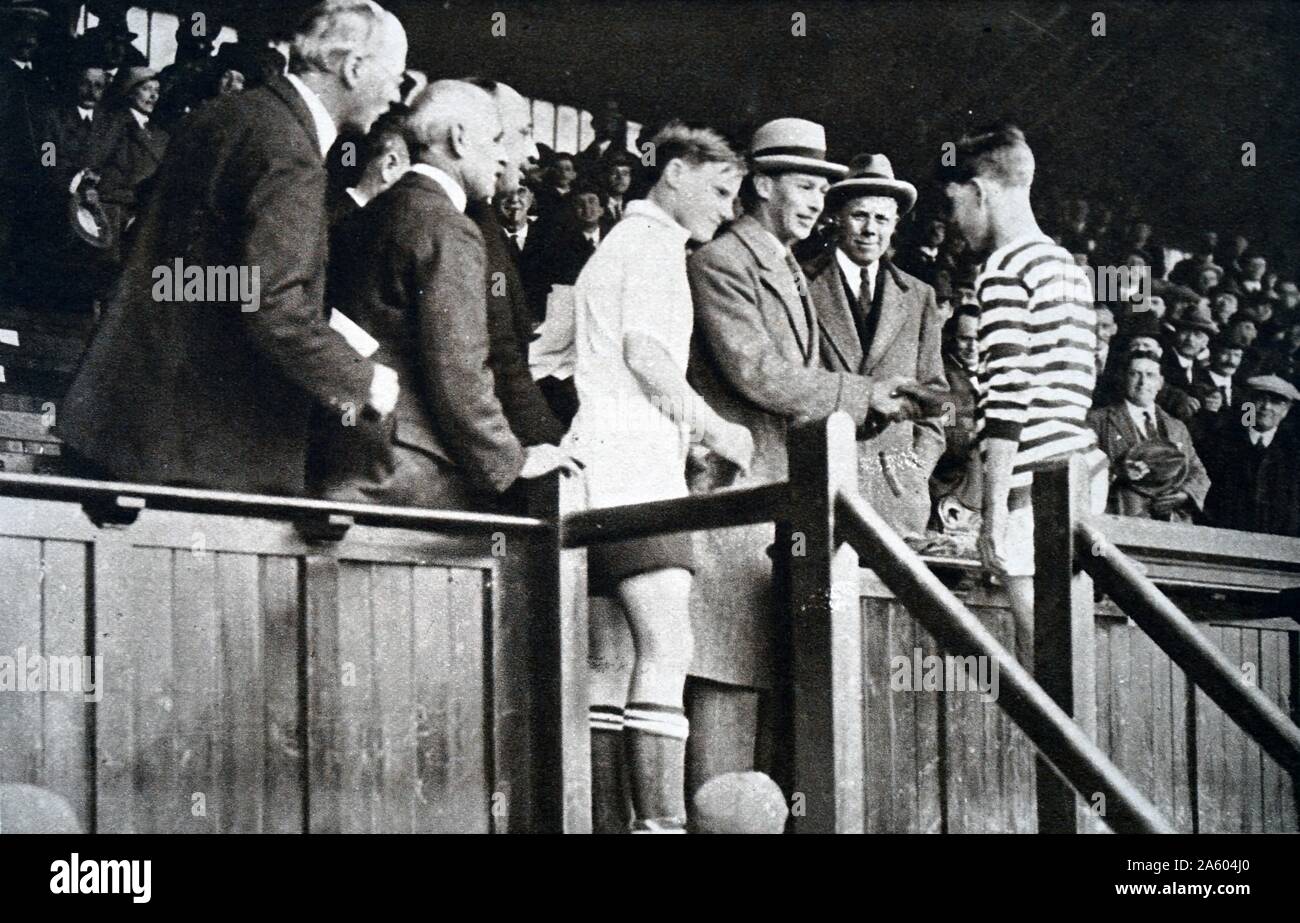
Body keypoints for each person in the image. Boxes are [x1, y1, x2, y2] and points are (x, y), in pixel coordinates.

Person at [58, 0, 410, 495]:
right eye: (395, 76)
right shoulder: (290, 152)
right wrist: (360, 379)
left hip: (126, 424)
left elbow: (186, 265)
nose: (398, 95)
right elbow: (270, 302)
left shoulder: (225, 116)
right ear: (354, 68)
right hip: (203, 449)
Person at [563, 121, 752, 833]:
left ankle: (608, 825)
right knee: (669, 644)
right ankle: (662, 825)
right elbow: (648, 358)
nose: (726, 208)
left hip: (600, 467)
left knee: (612, 660)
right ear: (673, 172)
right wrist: (716, 429)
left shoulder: (617, 246)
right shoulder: (648, 246)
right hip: (637, 475)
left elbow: (555, 354)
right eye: (719, 189)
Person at [688, 117, 884, 798]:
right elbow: (758, 373)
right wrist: (867, 395)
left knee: (770, 687)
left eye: (819, 190)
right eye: (803, 185)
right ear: (761, 183)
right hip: (735, 509)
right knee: (728, 681)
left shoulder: (786, 265)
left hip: (780, 511)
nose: (814, 202)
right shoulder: (720, 262)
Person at [315, 81, 579, 509]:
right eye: (496, 141)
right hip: (413, 469)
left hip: (352, 453)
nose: (504, 157)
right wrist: (511, 461)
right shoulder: (447, 227)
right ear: (458, 138)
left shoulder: (371, 214)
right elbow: (459, 367)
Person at [937, 123, 1107, 649]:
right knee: (1070, 652)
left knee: (1046, 660)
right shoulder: (1068, 268)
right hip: (1081, 476)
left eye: (955, 204)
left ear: (981, 192)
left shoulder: (1003, 269)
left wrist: (989, 519)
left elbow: (1010, 398)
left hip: (1030, 490)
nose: (953, 222)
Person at [801, 152, 947, 535]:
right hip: (821, 483)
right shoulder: (800, 284)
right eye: (860, 215)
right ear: (836, 218)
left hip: (895, 499)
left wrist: (914, 470)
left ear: (895, 224)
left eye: (882, 219)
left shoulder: (919, 296)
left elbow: (937, 401)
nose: (870, 229)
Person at [463, 77, 564, 449]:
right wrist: (551, 442)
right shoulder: (466, 224)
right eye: (523, 133)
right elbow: (497, 356)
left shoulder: (481, 217)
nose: (534, 153)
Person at [1088, 350, 1210, 523]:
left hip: (1172, 523)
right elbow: (1084, 470)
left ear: (1160, 383)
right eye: (1134, 374)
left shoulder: (1176, 426)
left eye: (1150, 375)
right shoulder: (1099, 420)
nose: (1142, 382)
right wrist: (1116, 472)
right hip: (1120, 516)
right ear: (1124, 378)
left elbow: (1198, 472)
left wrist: (1184, 495)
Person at [1203, 375, 1300, 536]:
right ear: (1247, 403)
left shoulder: (1293, 451)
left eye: (1276, 402)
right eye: (1259, 399)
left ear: (1286, 410)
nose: (1266, 407)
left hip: (1279, 544)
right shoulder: (1220, 441)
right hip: (1224, 538)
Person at [929, 305, 982, 526]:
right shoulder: (944, 379)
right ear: (952, 338)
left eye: (979, 338)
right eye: (965, 339)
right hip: (955, 486)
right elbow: (949, 432)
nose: (973, 347)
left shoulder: (993, 373)